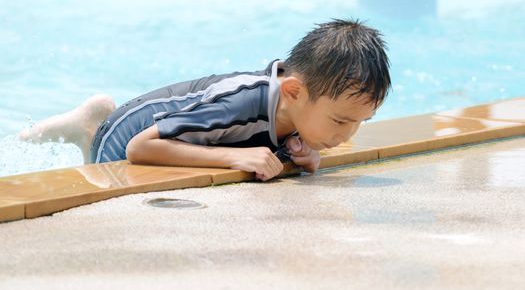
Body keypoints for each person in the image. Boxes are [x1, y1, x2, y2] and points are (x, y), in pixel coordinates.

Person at [18, 18, 391, 181]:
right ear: (292, 91)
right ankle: (94, 130)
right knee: (105, 189)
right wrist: (233, 156)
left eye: (361, 123)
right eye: (341, 121)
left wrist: (304, 154)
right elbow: (139, 149)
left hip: (162, 124)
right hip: (125, 138)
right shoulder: (243, 105)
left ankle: (93, 121)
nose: (348, 134)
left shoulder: (299, 104)